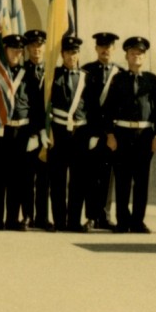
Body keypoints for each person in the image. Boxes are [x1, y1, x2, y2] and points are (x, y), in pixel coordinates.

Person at [104, 36, 156, 233]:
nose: (136, 56)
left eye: (139, 53)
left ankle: (138, 221)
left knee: (141, 181)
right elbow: (109, 109)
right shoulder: (118, 79)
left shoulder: (152, 80)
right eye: (132, 53)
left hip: (144, 136)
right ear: (127, 57)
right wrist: (110, 135)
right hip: (122, 135)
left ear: (144, 56)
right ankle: (122, 221)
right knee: (122, 180)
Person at [0, 33, 41, 231]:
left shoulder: (30, 75)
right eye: (12, 49)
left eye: (19, 50)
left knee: (22, 178)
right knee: (1, 177)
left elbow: (37, 107)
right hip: (2, 130)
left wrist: (34, 134)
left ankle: (19, 218)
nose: (16, 53)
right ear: (5, 51)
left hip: (23, 131)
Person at [46, 35, 91, 232]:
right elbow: (46, 104)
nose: (72, 56)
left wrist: (93, 134)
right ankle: (59, 220)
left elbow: (93, 107)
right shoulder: (53, 75)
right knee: (57, 179)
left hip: (80, 132)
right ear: (62, 54)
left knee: (79, 179)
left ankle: (74, 221)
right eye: (68, 53)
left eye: (75, 52)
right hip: (58, 130)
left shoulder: (87, 77)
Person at [82, 31, 123, 231]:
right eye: (102, 47)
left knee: (108, 177)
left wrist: (111, 133)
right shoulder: (86, 71)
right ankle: (90, 216)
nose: (105, 50)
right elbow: (83, 104)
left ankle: (105, 216)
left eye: (109, 47)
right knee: (90, 175)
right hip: (90, 133)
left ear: (114, 50)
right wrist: (91, 132)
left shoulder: (120, 74)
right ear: (96, 49)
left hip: (110, 135)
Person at [22, 29, 50, 229]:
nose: (36, 49)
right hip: (27, 132)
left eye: (39, 45)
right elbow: (23, 105)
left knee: (44, 178)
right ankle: (27, 215)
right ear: (27, 48)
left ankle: (42, 217)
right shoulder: (21, 72)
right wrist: (33, 131)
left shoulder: (51, 72)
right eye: (32, 45)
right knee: (26, 177)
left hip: (47, 133)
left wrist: (43, 131)